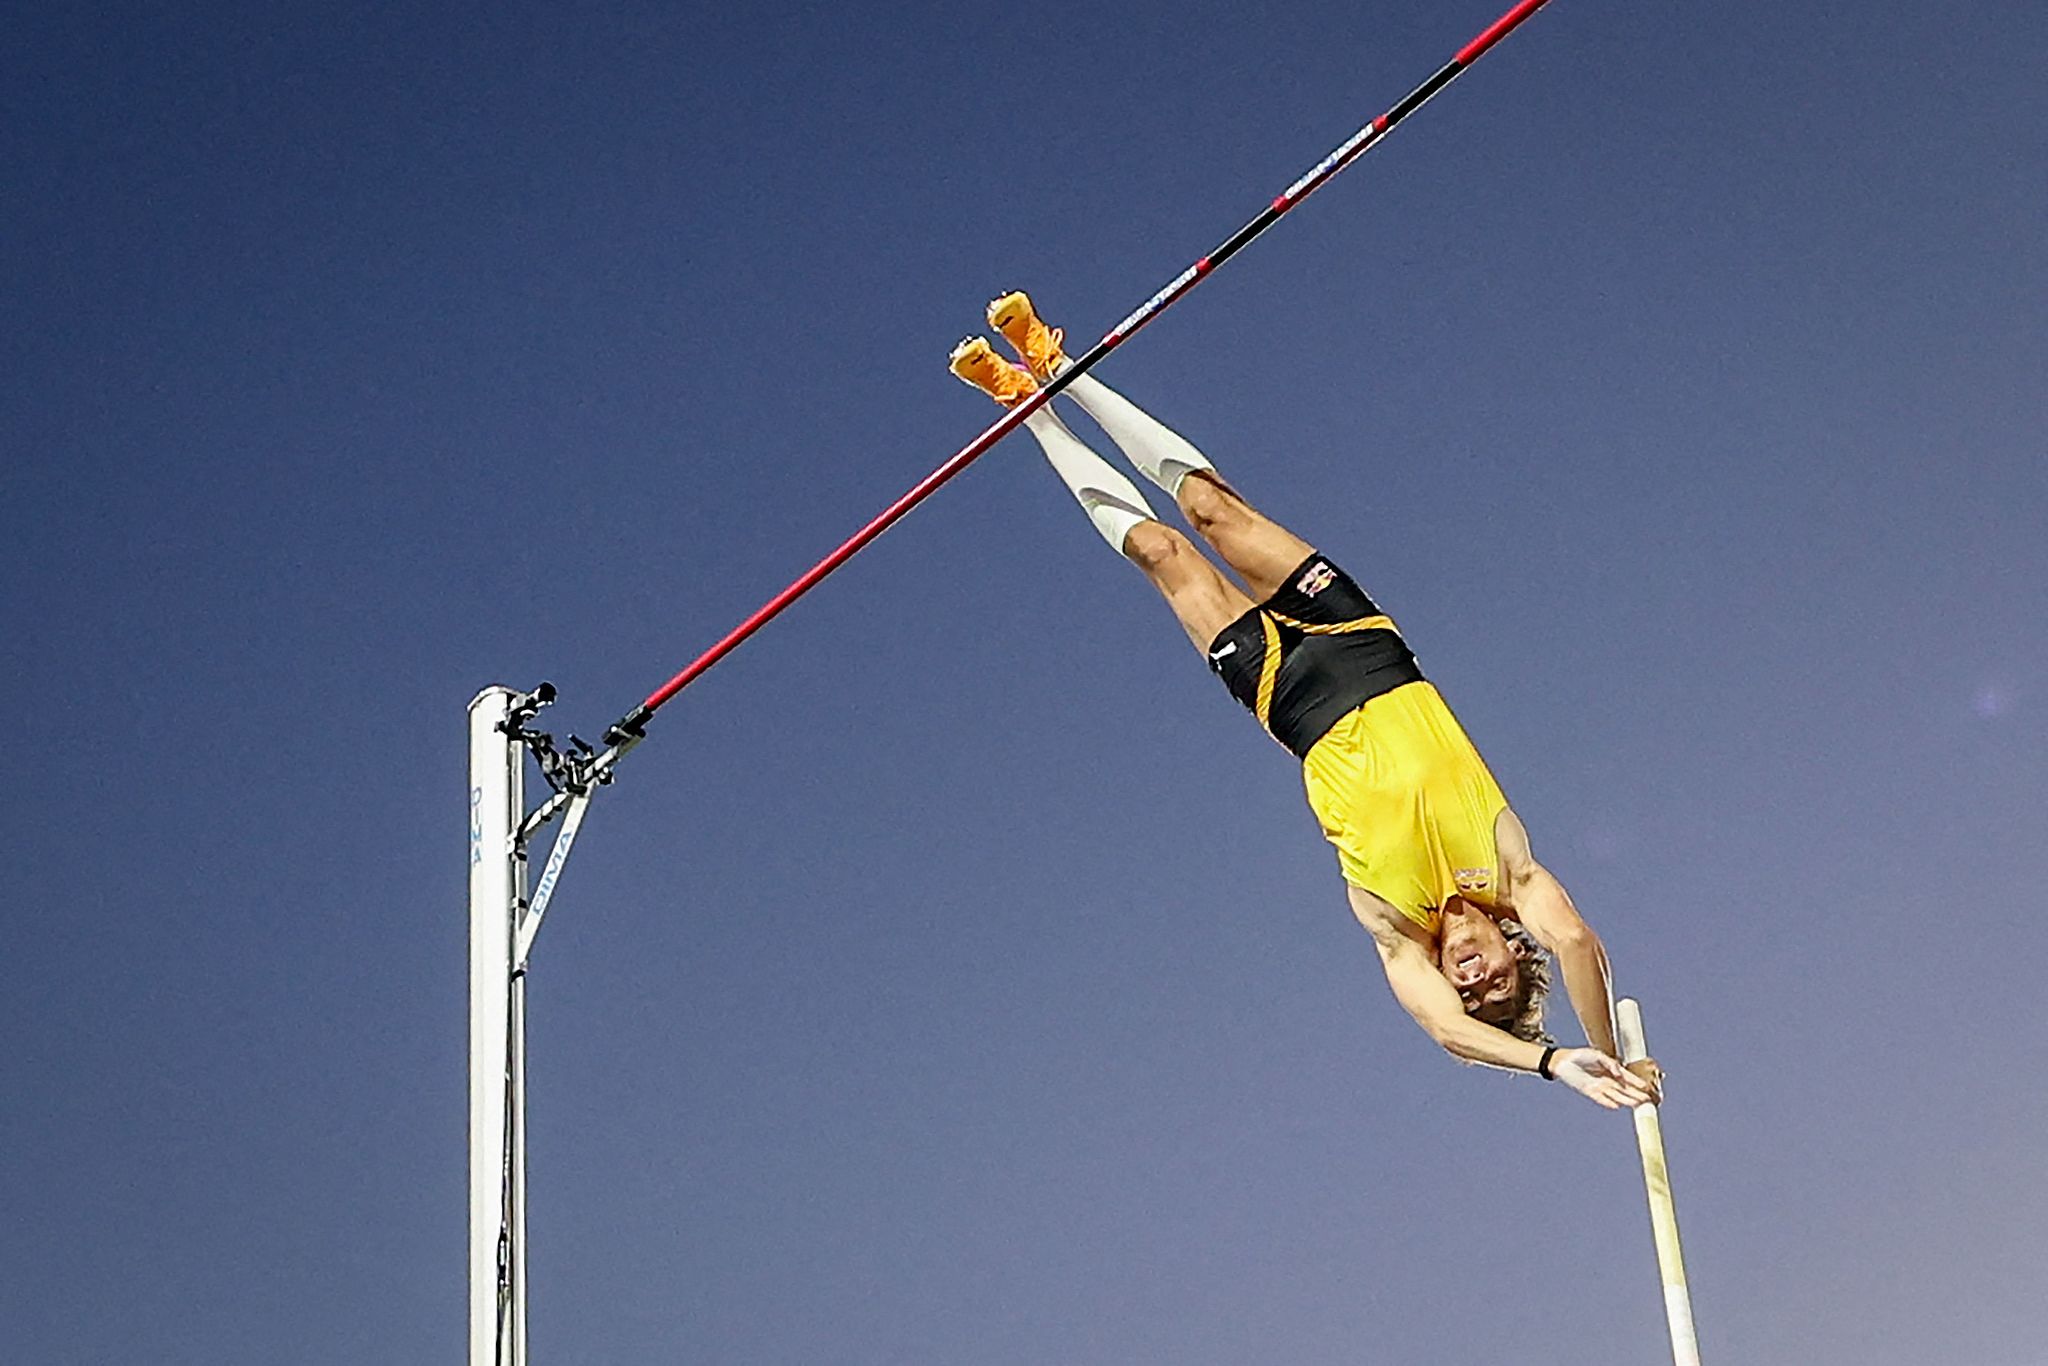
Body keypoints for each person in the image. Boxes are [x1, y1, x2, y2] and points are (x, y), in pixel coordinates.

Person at [950, 292, 1660, 1110]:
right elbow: (1577, 941)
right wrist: (1605, 1058)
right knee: (1213, 510)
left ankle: (1028, 410)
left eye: (1472, 993)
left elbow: (1445, 1032)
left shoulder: (1395, 932)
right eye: (1499, 985)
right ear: (1514, 950)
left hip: (1287, 699)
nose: (1477, 982)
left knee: (1162, 551)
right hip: (1365, 648)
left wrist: (1544, 1064)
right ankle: (1056, 366)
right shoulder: (1515, 875)